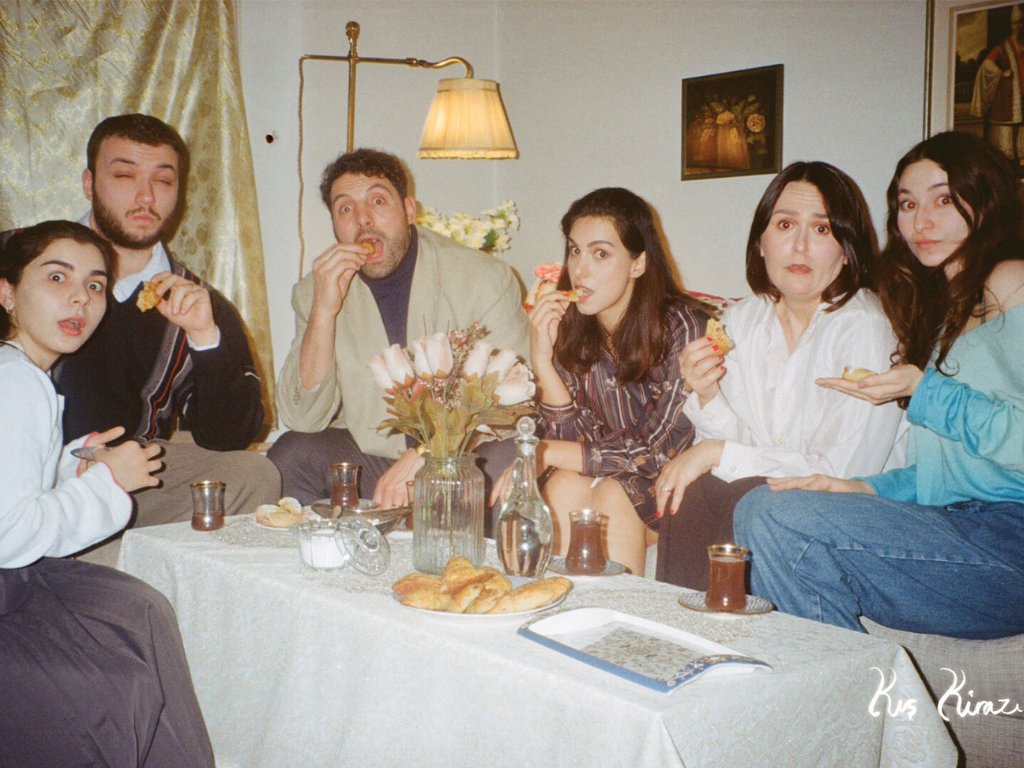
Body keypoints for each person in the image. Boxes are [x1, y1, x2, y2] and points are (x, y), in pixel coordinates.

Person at [734, 131, 1024, 640]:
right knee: (765, 510)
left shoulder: (1012, 280)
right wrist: (860, 488)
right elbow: (944, 475)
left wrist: (926, 391)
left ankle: (834, 697)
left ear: (985, 199)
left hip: (1009, 539)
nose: (921, 221)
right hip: (954, 523)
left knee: (775, 517)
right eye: (907, 204)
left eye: (943, 199)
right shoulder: (939, 312)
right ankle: (837, 693)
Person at [0, 221, 215, 766]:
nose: (80, 297)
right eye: (56, 277)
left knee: (140, 606)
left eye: (95, 285)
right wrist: (108, 481)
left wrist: (77, 464)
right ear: (7, 293)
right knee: (120, 674)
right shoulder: (16, 382)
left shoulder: (27, 374)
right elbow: (10, 533)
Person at [655, 162, 905, 590]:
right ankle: (676, 638)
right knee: (692, 492)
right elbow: (739, 453)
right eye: (785, 224)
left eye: (822, 230)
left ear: (847, 248)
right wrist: (708, 393)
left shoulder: (866, 328)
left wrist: (717, 452)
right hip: (764, 494)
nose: (800, 247)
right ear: (760, 243)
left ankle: (732, 645)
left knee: (741, 495)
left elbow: (841, 472)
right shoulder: (742, 320)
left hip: (855, 513)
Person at [50, 114, 279, 562]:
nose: (145, 197)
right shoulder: (19, 263)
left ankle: (142, 567)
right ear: (88, 182)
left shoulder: (198, 302)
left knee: (256, 474)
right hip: (23, 473)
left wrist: (205, 337)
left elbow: (229, 436)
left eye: (163, 180)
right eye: (124, 175)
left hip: (133, 479)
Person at [270, 148, 530, 510]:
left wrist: (429, 453)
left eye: (378, 201)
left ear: (409, 210)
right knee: (290, 455)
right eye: (345, 208)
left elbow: (510, 400)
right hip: (379, 461)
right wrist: (324, 312)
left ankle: (471, 566)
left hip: (467, 458)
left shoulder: (482, 278)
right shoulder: (314, 291)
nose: (363, 220)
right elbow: (302, 418)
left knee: (506, 462)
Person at [496, 187, 710, 575]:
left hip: (683, 486)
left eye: (601, 254)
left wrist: (541, 451)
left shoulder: (685, 326)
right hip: (618, 479)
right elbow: (578, 442)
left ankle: (622, 626)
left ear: (638, 264)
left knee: (614, 494)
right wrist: (542, 361)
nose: (580, 270)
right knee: (563, 485)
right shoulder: (573, 327)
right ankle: (554, 611)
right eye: (574, 250)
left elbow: (655, 454)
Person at [971, 4, 1024, 167]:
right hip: (1008, 94)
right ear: (1010, 24)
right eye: (1015, 23)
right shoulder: (1002, 46)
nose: (1018, 26)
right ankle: (1008, 161)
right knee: (1007, 127)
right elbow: (987, 64)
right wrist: (1002, 73)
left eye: (1021, 22)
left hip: (1022, 93)